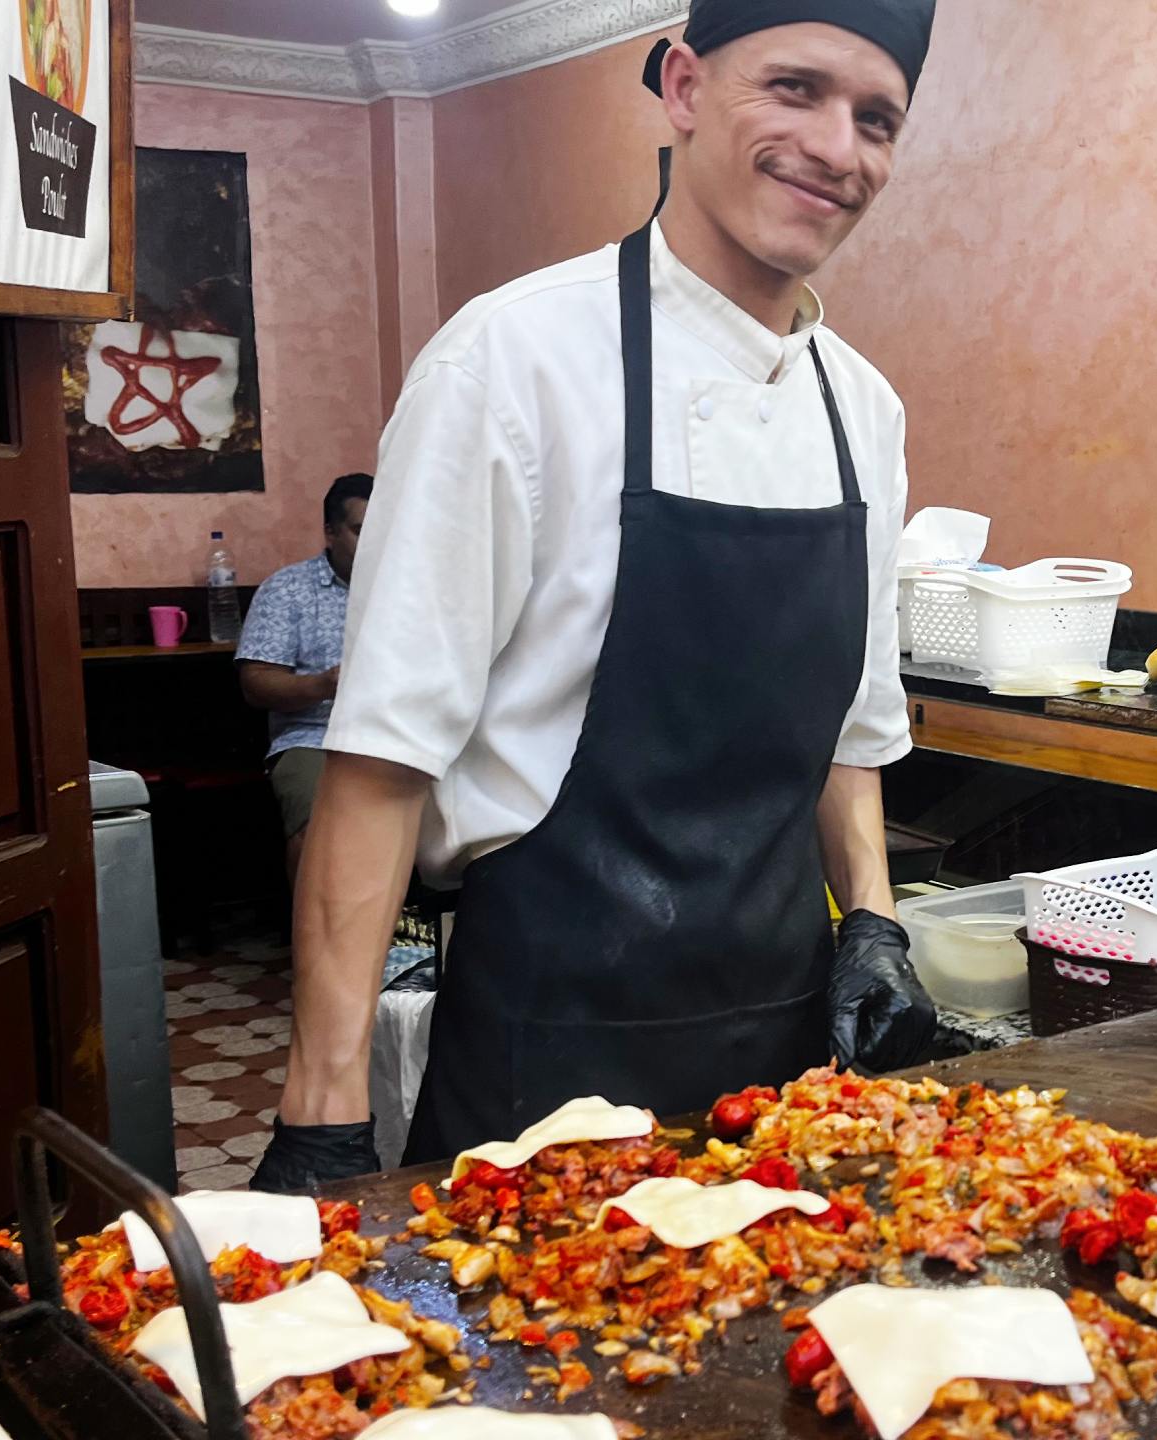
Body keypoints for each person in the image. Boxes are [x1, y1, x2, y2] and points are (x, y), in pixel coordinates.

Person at [251, 0, 942, 1190]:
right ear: (681, 87)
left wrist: (871, 925)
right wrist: (322, 1111)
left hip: (781, 1057)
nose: (838, 146)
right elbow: (377, 767)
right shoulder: (511, 361)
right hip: (548, 1046)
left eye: (874, 118)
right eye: (793, 88)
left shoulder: (862, 413)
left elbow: (851, 734)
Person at [236, 472, 370, 885]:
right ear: (330, 533)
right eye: (361, 531)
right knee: (320, 823)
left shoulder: (412, 587)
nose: (376, 543)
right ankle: (319, 944)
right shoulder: (288, 590)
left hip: (403, 730)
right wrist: (326, 684)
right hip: (316, 737)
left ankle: (425, 941)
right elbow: (256, 683)